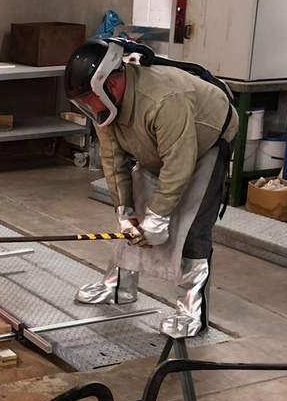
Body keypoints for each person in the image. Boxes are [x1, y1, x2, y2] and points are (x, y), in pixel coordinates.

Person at [64, 39, 238, 338]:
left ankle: (191, 311)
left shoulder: (164, 99)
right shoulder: (104, 107)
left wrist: (159, 217)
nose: (88, 108)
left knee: (192, 227)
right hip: (160, 144)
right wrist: (124, 210)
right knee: (133, 222)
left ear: (112, 82)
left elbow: (179, 164)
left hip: (206, 141)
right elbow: (113, 160)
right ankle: (118, 287)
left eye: (88, 99)